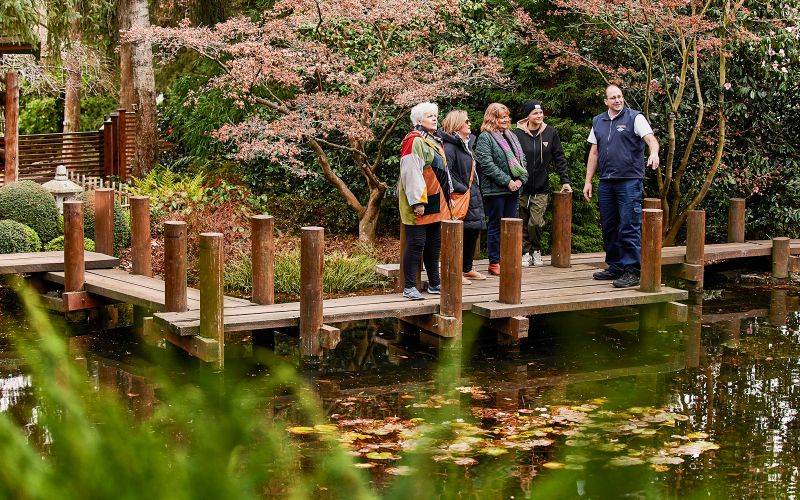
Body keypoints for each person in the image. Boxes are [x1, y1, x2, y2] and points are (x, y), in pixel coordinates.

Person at [583, 85, 660, 288]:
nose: (617, 100)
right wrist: (588, 181)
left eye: (620, 97)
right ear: (606, 101)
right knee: (609, 227)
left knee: (629, 226)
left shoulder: (635, 118)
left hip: (629, 180)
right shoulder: (598, 121)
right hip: (606, 181)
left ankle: (632, 270)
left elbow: (651, 139)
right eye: (613, 98)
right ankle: (616, 266)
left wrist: (654, 153)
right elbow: (594, 153)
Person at [398, 101, 452, 300]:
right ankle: (409, 286)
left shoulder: (433, 139)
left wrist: (448, 196)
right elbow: (411, 171)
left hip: (435, 199)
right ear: (418, 120)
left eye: (435, 115)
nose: (434, 118)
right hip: (420, 200)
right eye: (429, 116)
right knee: (416, 243)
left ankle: (435, 283)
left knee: (434, 244)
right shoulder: (414, 140)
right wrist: (417, 201)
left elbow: (443, 172)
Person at [514, 100, 572, 267]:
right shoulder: (517, 134)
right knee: (523, 221)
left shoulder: (550, 133)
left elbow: (559, 158)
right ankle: (525, 252)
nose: (539, 116)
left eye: (540, 113)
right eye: (535, 113)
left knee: (536, 222)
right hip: (521, 186)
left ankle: (536, 249)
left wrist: (565, 180)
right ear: (528, 116)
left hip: (541, 187)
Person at [474, 103, 528, 276]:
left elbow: (522, 161)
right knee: (496, 226)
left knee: (511, 226)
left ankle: (508, 259)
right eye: (501, 117)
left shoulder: (511, 136)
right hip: (495, 190)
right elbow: (487, 164)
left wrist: (520, 180)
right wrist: (507, 181)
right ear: (492, 118)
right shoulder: (485, 137)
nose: (506, 120)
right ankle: (495, 262)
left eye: (507, 116)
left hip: (513, 190)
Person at [441, 110, 487, 285]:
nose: (469, 123)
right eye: (466, 121)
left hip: (472, 195)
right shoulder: (450, 147)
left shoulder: (466, 145)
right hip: (461, 196)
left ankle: (466, 268)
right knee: (460, 233)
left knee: (473, 231)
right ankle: (455, 270)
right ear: (457, 124)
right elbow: (446, 172)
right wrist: (461, 189)